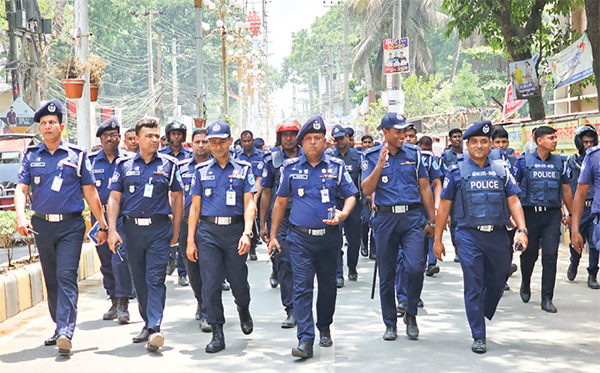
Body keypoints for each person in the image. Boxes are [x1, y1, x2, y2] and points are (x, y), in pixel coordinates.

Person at [15, 99, 109, 355]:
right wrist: (21, 217)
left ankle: (67, 330)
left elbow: (90, 193)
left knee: (66, 275)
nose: (47, 127)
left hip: (71, 226)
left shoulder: (77, 156)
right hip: (42, 226)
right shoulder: (31, 156)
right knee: (51, 278)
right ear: (40, 129)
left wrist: (103, 224)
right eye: (43, 123)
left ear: (61, 127)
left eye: (52, 123)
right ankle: (59, 328)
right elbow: (21, 189)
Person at [433, 120, 528, 353]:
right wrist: (437, 240)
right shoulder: (456, 171)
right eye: (474, 142)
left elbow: (513, 200)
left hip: (497, 235)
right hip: (468, 235)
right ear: (467, 145)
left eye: (483, 142)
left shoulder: (501, 169)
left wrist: (522, 230)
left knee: (499, 277)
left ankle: (482, 310)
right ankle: (478, 334)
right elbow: (444, 208)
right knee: (474, 282)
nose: (479, 146)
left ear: (490, 145)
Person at [268, 115, 357, 359]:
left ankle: (324, 325)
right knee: (302, 287)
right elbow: (280, 202)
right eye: (309, 139)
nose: (314, 143)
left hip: (329, 238)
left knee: (328, 286)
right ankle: (305, 339)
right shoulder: (290, 168)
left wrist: (344, 213)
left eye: (318, 138)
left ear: (324, 141)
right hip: (300, 239)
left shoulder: (336, 167)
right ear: (302, 142)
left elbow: (351, 195)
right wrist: (274, 235)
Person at [107, 117, 184, 352]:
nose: (154, 140)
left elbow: (179, 197)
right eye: (148, 136)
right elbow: (114, 198)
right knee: (139, 280)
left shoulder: (170, 164)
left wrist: (177, 230)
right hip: (131, 230)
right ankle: (148, 323)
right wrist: (111, 230)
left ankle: (155, 327)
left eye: (156, 135)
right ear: (137, 139)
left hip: (159, 230)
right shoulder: (124, 165)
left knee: (155, 279)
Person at [361, 113, 436, 341]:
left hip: (412, 218)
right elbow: (366, 189)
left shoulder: (414, 153)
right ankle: (390, 322)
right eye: (398, 132)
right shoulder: (371, 155)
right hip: (385, 219)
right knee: (387, 274)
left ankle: (411, 313)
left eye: (405, 131)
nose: (403, 135)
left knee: (415, 267)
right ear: (386, 133)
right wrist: (380, 165)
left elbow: (424, 186)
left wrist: (433, 220)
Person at [186, 120, 257, 353]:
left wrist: (247, 232)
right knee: (211, 283)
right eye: (212, 142)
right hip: (208, 233)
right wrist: (190, 240)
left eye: (220, 141)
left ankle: (243, 307)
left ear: (229, 141)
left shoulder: (243, 169)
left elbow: (249, 204)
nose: (216, 146)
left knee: (238, 281)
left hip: (235, 231)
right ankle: (217, 331)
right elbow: (194, 208)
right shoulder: (201, 171)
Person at [514, 125, 573, 313]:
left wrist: (571, 214)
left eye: (556, 137)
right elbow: (513, 189)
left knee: (550, 256)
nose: (555, 141)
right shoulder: (523, 162)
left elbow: (566, 190)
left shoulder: (560, 163)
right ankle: (525, 282)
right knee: (529, 254)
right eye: (551, 138)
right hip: (529, 214)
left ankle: (547, 298)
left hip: (552, 216)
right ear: (539, 141)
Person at [89, 117, 133, 324]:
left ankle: (124, 303)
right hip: (99, 217)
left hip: (122, 216)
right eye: (106, 135)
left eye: (114, 135)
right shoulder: (90, 162)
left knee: (120, 257)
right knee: (106, 259)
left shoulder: (128, 159)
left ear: (119, 137)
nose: (110, 139)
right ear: (100, 139)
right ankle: (114, 299)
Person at [259, 119, 303, 328]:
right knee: (284, 263)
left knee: (304, 265)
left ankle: (305, 308)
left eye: (292, 134)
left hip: (305, 217)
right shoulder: (272, 160)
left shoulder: (309, 156)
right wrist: (263, 224)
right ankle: (291, 310)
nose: (288, 138)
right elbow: (266, 193)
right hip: (281, 218)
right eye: (284, 135)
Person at [395, 129, 442, 315]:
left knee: (417, 261)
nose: (408, 139)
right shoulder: (394, 157)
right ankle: (402, 298)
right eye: (404, 136)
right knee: (401, 258)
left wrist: (436, 210)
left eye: (411, 137)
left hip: (424, 211)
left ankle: (414, 295)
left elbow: (437, 183)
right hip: (404, 213)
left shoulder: (427, 159)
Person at [178, 128, 212, 331]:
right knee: (192, 269)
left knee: (210, 268)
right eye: (197, 142)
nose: (201, 145)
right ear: (191, 144)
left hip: (209, 226)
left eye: (204, 142)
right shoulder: (182, 167)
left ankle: (208, 309)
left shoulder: (217, 166)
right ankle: (200, 300)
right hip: (185, 224)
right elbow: (174, 194)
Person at [327, 125, 362, 287]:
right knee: (335, 239)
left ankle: (352, 266)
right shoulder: (327, 156)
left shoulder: (358, 156)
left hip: (353, 202)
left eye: (342, 138)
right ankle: (338, 273)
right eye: (336, 138)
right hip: (334, 203)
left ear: (348, 138)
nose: (340, 141)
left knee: (354, 239)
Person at [566, 125, 599, 289]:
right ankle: (574, 262)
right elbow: (567, 188)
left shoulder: (596, 160)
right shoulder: (571, 163)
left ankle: (592, 273)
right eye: (585, 142)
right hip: (579, 209)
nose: (588, 145)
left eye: (591, 142)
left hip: (594, 208)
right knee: (576, 241)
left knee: (594, 244)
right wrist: (568, 212)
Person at [159, 120, 192, 286]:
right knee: (167, 237)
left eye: (179, 133)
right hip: (165, 202)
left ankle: (183, 272)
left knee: (183, 240)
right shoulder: (161, 155)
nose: (176, 137)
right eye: (173, 134)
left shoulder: (190, 156)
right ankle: (168, 261)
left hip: (184, 201)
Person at [491, 127, 519, 290]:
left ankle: (504, 277)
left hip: (510, 211)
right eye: (497, 142)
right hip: (493, 211)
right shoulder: (486, 161)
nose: (501, 145)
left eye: (503, 142)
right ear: (491, 143)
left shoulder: (514, 161)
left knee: (507, 245)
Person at [236, 130, 264, 261]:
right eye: (244, 141)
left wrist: (254, 200)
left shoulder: (260, 156)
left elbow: (259, 179)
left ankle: (252, 247)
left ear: (253, 141)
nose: (246, 143)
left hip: (256, 193)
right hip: (241, 193)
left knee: (254, 218)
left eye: (249, 141)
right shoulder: (237, 156)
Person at [441, 128, 464, 262]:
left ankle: (463, 248)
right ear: (450, 139)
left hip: (464, 192)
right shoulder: (445, 156)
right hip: (450, 194)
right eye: (454, 137)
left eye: (459, 136)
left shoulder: (467, 155)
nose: (457, 139)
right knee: (454, 223)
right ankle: (457, 250)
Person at [360, 135, 376, 259]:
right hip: (362, 196)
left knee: (374, 222)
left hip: (375, 195)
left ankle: (373, 250)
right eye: (365, 142)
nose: (367, 144)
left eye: (369, 142)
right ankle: (364, 244)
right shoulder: (358, 157)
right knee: (365, 221)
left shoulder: (376, 156)